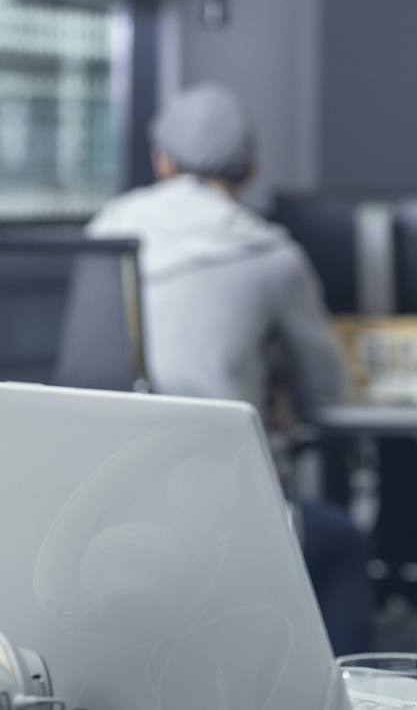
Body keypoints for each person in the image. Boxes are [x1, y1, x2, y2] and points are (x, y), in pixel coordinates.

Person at [87, 81, 371, 655]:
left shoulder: (107, 229)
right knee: (343, 543)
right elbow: (330, 392)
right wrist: (275, 381)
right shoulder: (271, 252)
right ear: (250, 169)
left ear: (160, 158)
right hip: (217, 521)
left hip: (98, 512)